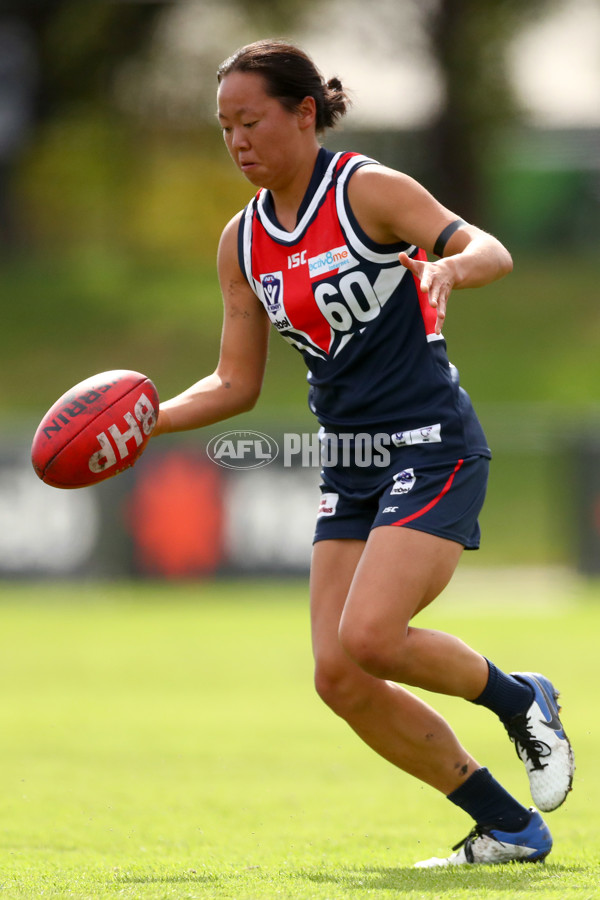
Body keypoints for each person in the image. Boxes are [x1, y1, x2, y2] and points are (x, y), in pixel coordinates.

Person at [152, 39, 574, 866]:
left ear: (304, 113)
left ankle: (521, 697)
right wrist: (148, 420)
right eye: (224, 127)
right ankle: (509, 828)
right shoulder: (242, 243)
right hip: (350, 460)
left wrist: (457, 268)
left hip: (431, 442)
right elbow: (234, 384)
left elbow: (486, 246)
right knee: (339, 676)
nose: (237, 141)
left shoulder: (365, 190)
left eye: (251, 120)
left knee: (374, 636)